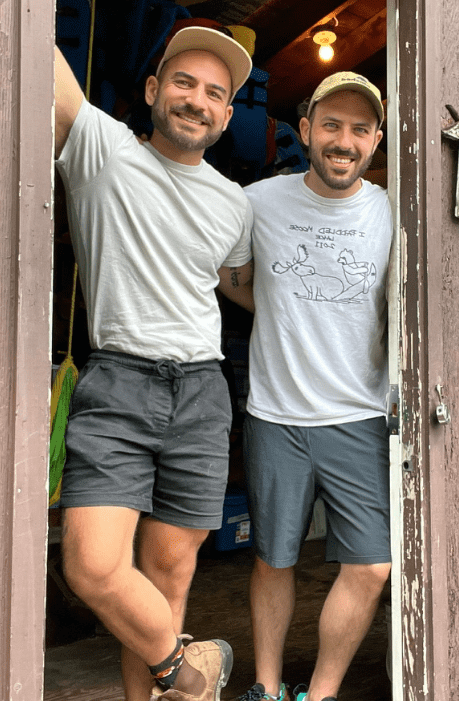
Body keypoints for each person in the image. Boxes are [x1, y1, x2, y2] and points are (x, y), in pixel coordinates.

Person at [54, 26, 256, 701]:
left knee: (168, 575)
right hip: (118, 381)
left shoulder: (235, 204)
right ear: (151, 90)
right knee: (92, 565)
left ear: (227, 116)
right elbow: (33, 51)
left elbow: (233, 284)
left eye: (214, 93)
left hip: (200, 390)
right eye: (183, 82)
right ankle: (188, 671)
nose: (196, 100)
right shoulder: (101, 149)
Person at [238, 72, 393, 701]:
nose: (344, 141)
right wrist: (278, 312)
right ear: (305, 131)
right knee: (274, 557)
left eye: (360, 129)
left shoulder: (388, 209)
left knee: (372, 564)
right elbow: (231, 276)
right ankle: (266, 688)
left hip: (359, 414)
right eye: (331, 125)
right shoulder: (257, 201)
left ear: (376, 141)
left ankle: (321, 695)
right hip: (274, 412)